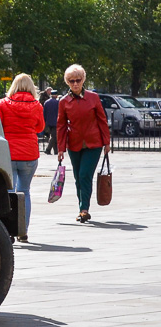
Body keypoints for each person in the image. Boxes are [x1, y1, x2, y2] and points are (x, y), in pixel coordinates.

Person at [56, 64, 111, 223]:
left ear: (83, 80)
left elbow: (102, 120)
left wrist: (106, 142)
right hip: (74, 144)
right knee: (78, 178)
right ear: (68, 82)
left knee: (84, 175)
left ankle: (84, 209)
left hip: (94, 144)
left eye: (78, 80)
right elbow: (61, 125)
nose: (75, 83)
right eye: (72, 81)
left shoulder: (93, 98)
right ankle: (82, 207)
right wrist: (60, 148)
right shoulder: (64, 101)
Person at [0, 74, 46, 242]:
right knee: (24, 192)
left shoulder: (2, 104)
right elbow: (40, 127)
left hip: (8, 152)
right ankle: (23, 231)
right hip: (29, 154)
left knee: (9, 191)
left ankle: (8, 231)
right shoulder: (37, 106)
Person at [42, 88, 60, 155]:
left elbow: (44, 113)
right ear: (56, 95)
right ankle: (48, 149)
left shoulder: (46, 102)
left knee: (53, 136)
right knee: (54, 137)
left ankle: (56, 151)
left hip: (48, 122)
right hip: (56, 121)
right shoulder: (58, 102)